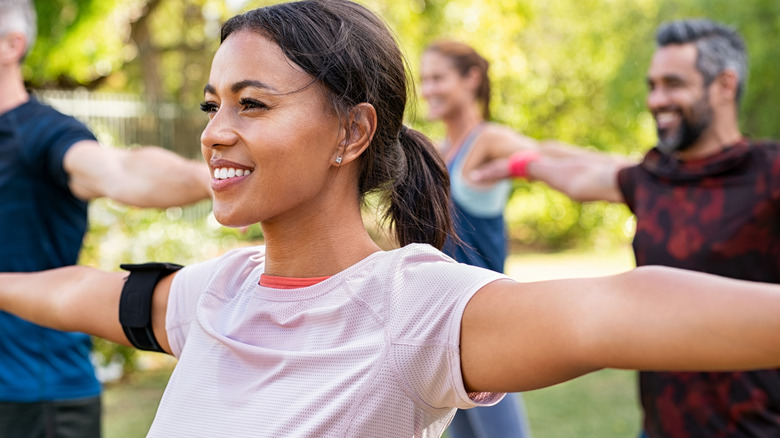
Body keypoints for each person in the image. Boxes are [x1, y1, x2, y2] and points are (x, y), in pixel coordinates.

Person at [2, 4, 780, 437]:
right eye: (213, 104)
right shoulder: (216, 297)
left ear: (353, 132)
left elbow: (619, 307)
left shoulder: (411, 310)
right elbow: (82, 294)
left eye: (253, 104)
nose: (214, 131)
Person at [471, 18, 780, 438]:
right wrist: (516, 166)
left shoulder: (769, 174)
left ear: (724, 86)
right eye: (653, 85)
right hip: (659, 427)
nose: (656, 99)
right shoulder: (653, 176)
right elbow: (582, 177)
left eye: (674, 84)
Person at [0, 1, 212, 437]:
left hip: (38, 400)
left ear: (11, 44)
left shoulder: (41, 135)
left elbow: (122, 172)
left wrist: (219, 178)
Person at [419, 40, 536, 438]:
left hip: (485, 325)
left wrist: (514, 166)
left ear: (471, 79)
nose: (427, 89)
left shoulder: (488, 141)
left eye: (438, 78)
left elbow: (549, 158)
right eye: (424, 80)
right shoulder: (437, 152)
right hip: (440, 327)